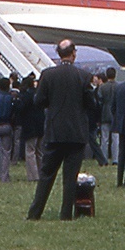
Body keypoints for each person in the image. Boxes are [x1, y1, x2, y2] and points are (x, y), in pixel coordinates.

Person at [27, 39, 95, 221]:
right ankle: (66, 214)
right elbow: (92, 103)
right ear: (73, 53)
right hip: (76, 134)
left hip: (54, 132)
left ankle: (35, 213)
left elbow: (38, 101)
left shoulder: (47, 75)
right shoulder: (84, 76)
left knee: (46, 175)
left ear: (58, 54)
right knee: (70, 177)